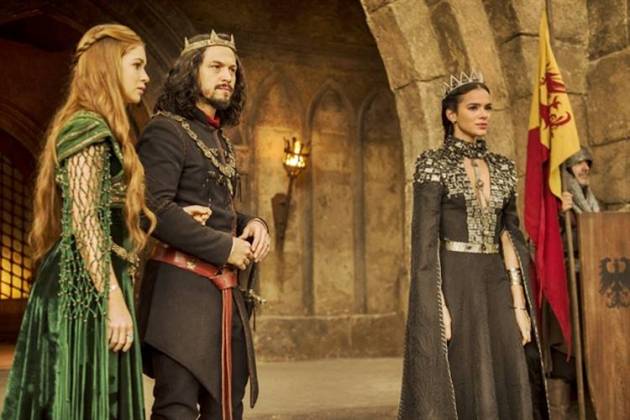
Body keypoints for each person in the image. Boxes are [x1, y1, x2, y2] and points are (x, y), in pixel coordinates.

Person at [1, 24, 155, 419]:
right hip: (84, 288)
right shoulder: (87, 126)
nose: (145, 76)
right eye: (137, 65)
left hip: (97, 280)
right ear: (109, 66)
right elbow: (86, 218)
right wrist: (113, 301)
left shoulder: (100, 129)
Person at [398, 72, 548, 419]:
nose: (484, 115)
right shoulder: (433, 164)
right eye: (474, 107)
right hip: (456, 280)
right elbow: (424, 242)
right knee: (465, 368)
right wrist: (436, 305)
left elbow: (509, 235)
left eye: (488, 108)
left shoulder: (503, 167)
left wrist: (519, 304)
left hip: (496, 280)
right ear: (451, 114)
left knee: (509, 360)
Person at [136, 31, 270, 420]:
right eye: (216, 67)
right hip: (179, 296)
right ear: (190, 72)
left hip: (223, 297)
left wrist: (252, 222)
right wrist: (226, 247)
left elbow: (218, 208)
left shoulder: (220, 140)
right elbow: (153, 207)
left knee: (226, 410)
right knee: (176, 410)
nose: (227, 76)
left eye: (232, 69)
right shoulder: (165, 130)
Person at [544, 147, 600, 419]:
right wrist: (559, 216)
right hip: (566, 285)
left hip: (590, 285)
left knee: (590, 353)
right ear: (566, 171)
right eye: (578, 164)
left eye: (587, 163)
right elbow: (542, 244)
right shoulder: (557, 205)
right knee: (565, 356)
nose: (585, 167)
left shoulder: (592, 204)